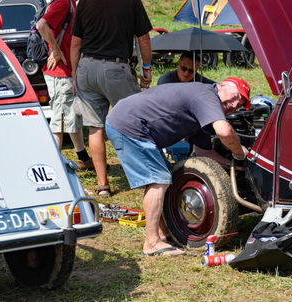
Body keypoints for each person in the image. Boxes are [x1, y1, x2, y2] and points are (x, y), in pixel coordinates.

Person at [105, 77, 251, 256]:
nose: (235, 104)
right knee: (158, 180)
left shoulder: (205, 107)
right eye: (235, 96)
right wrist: (241, 154)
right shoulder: (207, 96)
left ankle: (163, 232)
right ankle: (151, 243)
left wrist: (234, 166)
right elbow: (225, 131)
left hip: (135, 123)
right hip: (129, 124)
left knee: (163, 176)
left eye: (240, 103)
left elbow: (204, 153)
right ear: (221, 86)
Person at [70, 0, 153, 197]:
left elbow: (75, 43)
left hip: (86, 68)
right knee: (135, 121)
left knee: (95, 126)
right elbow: (144, 39)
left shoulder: (84, 2)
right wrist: (147, 68)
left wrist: (75, 74)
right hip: (115, 68)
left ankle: (103, 185)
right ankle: (144, 177)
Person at [36, 0, 93, 170]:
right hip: (60, 72)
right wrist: (56, 50)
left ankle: (83, 157)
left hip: (64, 71)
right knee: (59, 122)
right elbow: (41, 25)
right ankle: (55, 168)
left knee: (70, 115)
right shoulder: (62, 2)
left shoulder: (69, 3)